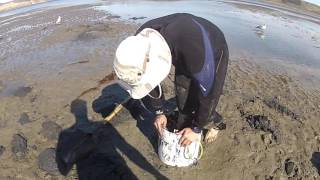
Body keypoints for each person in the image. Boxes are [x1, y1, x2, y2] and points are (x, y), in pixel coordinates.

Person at [113, 13, 229, 147]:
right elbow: (147, 84)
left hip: (211, 47)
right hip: (179, 48)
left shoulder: (195, 51)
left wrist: (196, 129)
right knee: (183, 98)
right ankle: (189, 118)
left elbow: (210, 95)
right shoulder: (139, 42)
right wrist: (159, 112)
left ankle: (216, 124)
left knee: (202, 99)